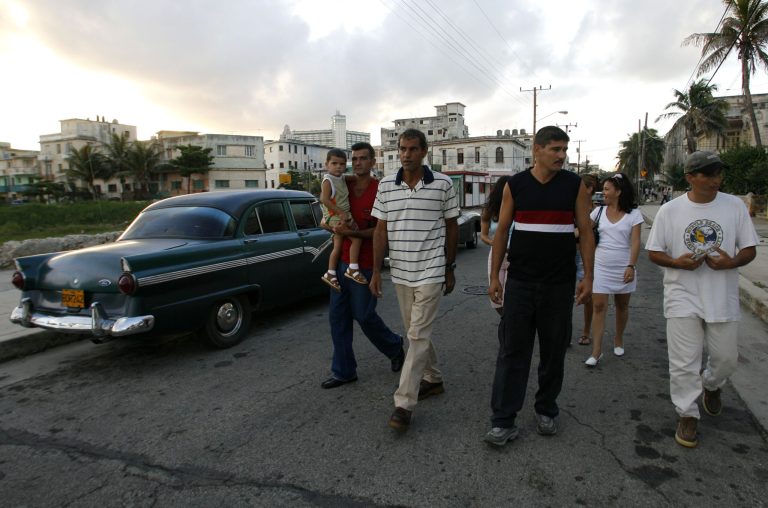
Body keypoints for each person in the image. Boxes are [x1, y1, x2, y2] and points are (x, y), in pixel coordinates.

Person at [484, 126, 595, 446]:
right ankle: (503, 420)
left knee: (553, 352)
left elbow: (586, 232)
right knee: (512, 352)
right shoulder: (515, 186)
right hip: (520, 283)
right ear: (537, 149)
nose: (562, 155)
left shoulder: (574, 186)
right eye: (556, 149)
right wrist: (495, 277)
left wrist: (588, 276)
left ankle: (547, 408)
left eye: (565, 150)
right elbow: (502, 231)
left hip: (559, 286)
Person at [646, 151, 758, 448]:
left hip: (721, 296)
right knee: (683, 362)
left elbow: (749, 249)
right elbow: (654, 252)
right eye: (708, 174)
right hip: (682, 294)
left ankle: (711, 384)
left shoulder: (734, 206)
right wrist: (677, 263)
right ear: (690, 178)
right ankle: (687, 413)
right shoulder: (670, 211)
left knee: (725, 360)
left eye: (719, 173)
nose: (716, 180)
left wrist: (730, 263)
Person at [370, 128, 459, 432]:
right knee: (413, 331)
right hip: (401, 271)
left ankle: (403, 403)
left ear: (424, 151)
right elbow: (380, 230)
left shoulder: (443, 184)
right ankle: (432, 379)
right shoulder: (385, 186)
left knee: (417, 335)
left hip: (432, 269)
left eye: (412, 149)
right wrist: (374, 272)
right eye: (402, 149)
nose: (406, 154)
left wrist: (449, 267)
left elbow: (451, 226)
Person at [320, 142, 405, 389]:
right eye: (354, 159)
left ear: (372, 162)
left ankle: (394, 346)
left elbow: (382, 231)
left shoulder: (381, 190)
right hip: (341, 262)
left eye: (363, 159)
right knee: (338, 319)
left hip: (366, 264)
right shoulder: (340, 183)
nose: (357, 163)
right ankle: (344, 371)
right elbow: (326, 219)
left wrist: (354, 234)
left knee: (364, 315)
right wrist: (334, 228)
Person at [584, 173, 644, 366]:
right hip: (601, 267)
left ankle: (618, 338)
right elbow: (584, 232)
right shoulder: (598, 212)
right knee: (599, 306)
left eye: (608, 189)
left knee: (622, 306)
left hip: (624, 266)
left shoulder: (634, 214)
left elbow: (635, 243)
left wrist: (631, 266)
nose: (604, 193)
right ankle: (596, 351)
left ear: (618, 192)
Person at [320, 148, 367, 292]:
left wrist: (367, 178)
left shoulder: (340, 177)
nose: (338, 167)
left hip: (340, 215)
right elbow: (323, 199)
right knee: (357, 239)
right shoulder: (328, 180)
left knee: (337, 245)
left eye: (341, 164)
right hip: (336, 216)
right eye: (334, 163)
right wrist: (341, 213)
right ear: (327, 164)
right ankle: (353, 268)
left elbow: (350, 178)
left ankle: (331, 273)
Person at [480, 175, 512, 316]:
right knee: (496, 299)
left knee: (511, 297)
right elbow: (483, 235)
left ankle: (511, 326)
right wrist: (495, 242)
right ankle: (506, 322)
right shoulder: (490, 209)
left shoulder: (518, 207)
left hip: (515, 256)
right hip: (496, 255)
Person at [574, 173, 599, 346]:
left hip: (586, 253)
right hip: (569, 252)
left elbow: (589, 229)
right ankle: (564, 331)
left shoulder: (596, 209)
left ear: (589, 189)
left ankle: (586, 332)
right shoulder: (571, 203)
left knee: (587, 295)